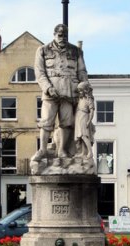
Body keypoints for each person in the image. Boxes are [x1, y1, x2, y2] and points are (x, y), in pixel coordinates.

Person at [32, 24, 88, 160]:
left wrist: (83, 87)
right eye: (60, 35)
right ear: (54, 34)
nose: (62, 38)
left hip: (70, 92)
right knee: (46, 122)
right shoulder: (43, 50)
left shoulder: (76, 51)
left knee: (67, 122)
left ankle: (62, 150)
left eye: (65, 36)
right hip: (50, 93)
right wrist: (48, 88)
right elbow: (39, 72)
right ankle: (42, 150)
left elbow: (82, 72)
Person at [74, 81, 95, 159]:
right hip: (78, 116)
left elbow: (92, 112)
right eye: (79, 90)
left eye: (81, 90)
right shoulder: (80, 99)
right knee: (80, 136)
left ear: (85, 90)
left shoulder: (89, 100)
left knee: (84, 136)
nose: (80, 92)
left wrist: (89, 121)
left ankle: (90, 152)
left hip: (84, 117)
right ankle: (83, 153)